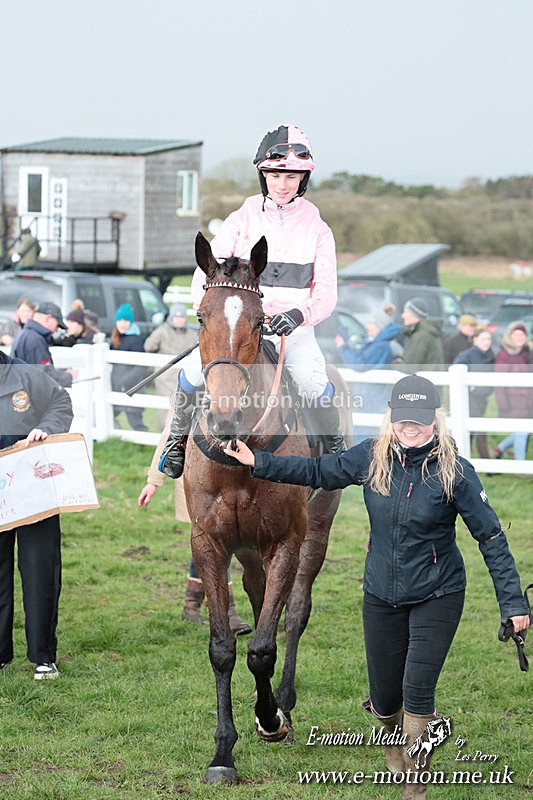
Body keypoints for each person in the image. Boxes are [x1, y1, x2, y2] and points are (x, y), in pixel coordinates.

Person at [224, 374, 530, 796]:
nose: (411, 428)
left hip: (437, 593)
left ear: (435, 420)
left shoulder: (455, 471)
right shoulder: (372, 456)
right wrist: (259, 463)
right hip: (380, 593)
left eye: (420, 421)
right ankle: (394, 731)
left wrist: (513, 604)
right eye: (404, 419)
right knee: (386, 702)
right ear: (392, 418)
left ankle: (415, 785)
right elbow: (317, 469)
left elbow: (491, 537)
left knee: (417, 693)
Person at [160, 123, 346, 480]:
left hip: (292, 330)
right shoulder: (241, 219)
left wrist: (299, 314)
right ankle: (175, 444)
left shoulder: (318, 229)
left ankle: (334, 448)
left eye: (291, 176)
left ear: (302, 180)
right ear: (264, 175)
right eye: (276, 174)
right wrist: (210, 313)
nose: (283, 183)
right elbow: (207, 271)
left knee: (311, 381)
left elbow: (326, 293)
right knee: (191, 373)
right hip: (239, 326)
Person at [137, 413, 252, 636]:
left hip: (235, 480)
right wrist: (153, 481)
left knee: (207, 543)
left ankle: (191, 604)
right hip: (199, 484)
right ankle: (228, 612)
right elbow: (170, 434)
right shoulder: (193, 392)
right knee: (217, 542)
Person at [0, 349, 73, 679]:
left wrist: (46, 427)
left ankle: (43, 655)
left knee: (40, 570)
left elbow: (61, 403)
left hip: (34, 489)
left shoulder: (26, 375)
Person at [336, 304, 402, 443]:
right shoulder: (377, 342)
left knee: (367, 433)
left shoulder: (381, 345)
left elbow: (359, 364)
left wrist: (343, 348)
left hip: (373, 396)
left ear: (379, 326)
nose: (367, 326)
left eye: (371, 323)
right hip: (371, 394)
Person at [143, 302, 198, 429]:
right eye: (177, 317)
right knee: (166, 405)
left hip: (185, 377)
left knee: (184, 405)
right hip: (165, 378)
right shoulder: (162, 331)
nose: (179, 320)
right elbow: (148, 346)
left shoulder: (191, 334)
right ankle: (164, 432)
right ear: (171, 317)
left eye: (182, 317)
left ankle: (181, 434)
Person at [493, 322, 533, 468]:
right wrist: (503, 404)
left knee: (523, 430)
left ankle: (499, 449)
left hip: (527, 401)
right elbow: (499, 383)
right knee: (522, 431)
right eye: (516, 334)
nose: (520, 337)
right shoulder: (504, 355)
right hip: (513, 401)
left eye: (522, 334)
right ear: (510, 336)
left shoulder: (525, 352)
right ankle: (520, 467)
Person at [453, 328, 495, 459]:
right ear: (475, 340)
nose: (487, 342)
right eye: (483, 339)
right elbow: (456, 368)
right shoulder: (468, 354)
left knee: (476, 429)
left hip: (483, 398)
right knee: (476, 429)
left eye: (489, 339)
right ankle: (485, 463)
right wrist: (469, 383)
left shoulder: (490, 354)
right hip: (470, 399)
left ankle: (468, 461)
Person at [11, 301, 75, 387]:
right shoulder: (35, 340)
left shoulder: (26, 334)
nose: (57, 330)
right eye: (57, 325)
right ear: (48, 318)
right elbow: (45, 377)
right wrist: (69, 376)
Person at [110, 303, 148, 432]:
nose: (122, 324)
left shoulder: (135, 340)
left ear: (131, 322)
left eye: (126, 320)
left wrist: (126, 379)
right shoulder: (115, 338)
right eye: (120, 320)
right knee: (110, 414)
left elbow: (141, 366)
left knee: (135, 419)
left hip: (132, 386)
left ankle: (143, 445)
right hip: (116, 386)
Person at [400, 298, 444, 373]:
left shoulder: (421, 336)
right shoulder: (428, 332)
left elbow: (408, 368)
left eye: (406, 312)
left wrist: (396, 362)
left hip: (423, 383)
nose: (403, 316)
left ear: (415, 314)